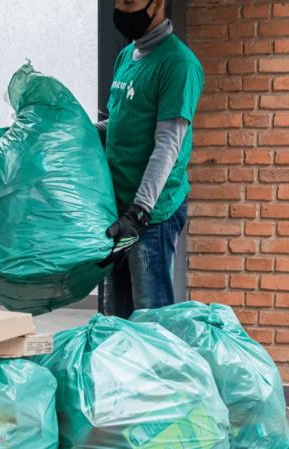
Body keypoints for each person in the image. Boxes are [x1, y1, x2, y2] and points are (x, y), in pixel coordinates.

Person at [96, 0, 204, 319]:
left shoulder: (178, 63)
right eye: (119, 1)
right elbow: (117, 122)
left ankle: (158, 371)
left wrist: (139, 213)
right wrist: (77, 132)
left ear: (157, 3)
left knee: (150, 320)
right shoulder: (125, 56)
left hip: (149, 215)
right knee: (117, 317)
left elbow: (168, 144)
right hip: (119, 211)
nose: (122, 8)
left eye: (130, 1)